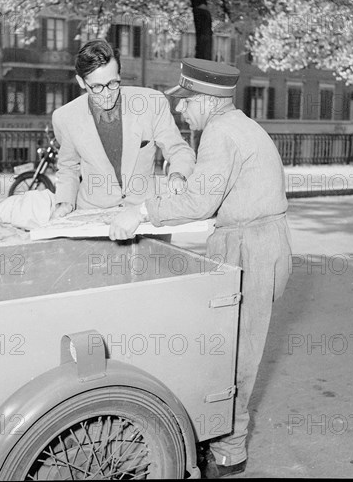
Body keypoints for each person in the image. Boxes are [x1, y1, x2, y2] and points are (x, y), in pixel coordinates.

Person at [109, 58, 292, 478]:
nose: (179, 109)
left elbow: (199, 204)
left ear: (208, 101)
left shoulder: (220, 134)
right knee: (226, 346)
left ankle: (229, 454)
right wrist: (177, 188)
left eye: (185, 100)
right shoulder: (238, 125)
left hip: (250, 247)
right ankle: (224, 439)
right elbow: (207, 192)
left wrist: (140, 212)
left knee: (236, 354)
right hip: (257, 239)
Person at [51, 39, 195, 217]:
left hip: (145, 213)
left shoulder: (152, 103)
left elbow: (178, 150)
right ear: (81, 82)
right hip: (93, 214)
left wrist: (177, 175)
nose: (106, 95)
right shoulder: (65, 117)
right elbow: (68, 167)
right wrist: (65, 203)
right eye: (96, 87)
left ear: (119, 75)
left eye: (113, 83)